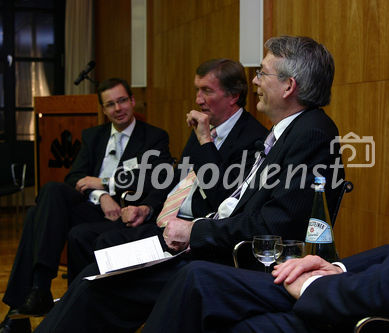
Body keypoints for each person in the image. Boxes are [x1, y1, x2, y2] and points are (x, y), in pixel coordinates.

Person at [137, 1, 389, 332]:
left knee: (198, 283)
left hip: (384, 308)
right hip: (295, 266)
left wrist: (320, 283)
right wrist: (338, 269)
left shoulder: (311, 133)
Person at [34, 35, 345, 332]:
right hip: (210, 242)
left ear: (289, 86)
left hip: (230, 259)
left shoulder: (311, 134)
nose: (255, 81)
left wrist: (195, 230)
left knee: (100, 286)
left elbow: (275, 224)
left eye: (263, 73)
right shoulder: (289, 131)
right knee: (98, 272)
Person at [66, 58, 268, 278]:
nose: (198, 99)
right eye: (197, 90)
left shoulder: (252, 138)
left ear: (233, 95)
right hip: (165, 219)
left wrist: (205, 141)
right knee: (82, 237)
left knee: (108, 245)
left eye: (206, 91)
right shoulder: (206, 125)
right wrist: (147, 208)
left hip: (194, 233)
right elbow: (177, 181)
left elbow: (221, 197)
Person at [0, 78, 173, 333]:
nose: (118, 108)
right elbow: (74, 177)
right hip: (93, 207)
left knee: (37, 215)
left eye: (122, 100)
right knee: (52, 191)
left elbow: (152, 179)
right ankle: (40, 287)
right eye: (110, 104)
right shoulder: (94, 136)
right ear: (103, 110)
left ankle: (29, 301)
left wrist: (104, 183)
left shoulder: (154, 137)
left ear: (132, 101)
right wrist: (102, 196)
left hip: (127, 212)